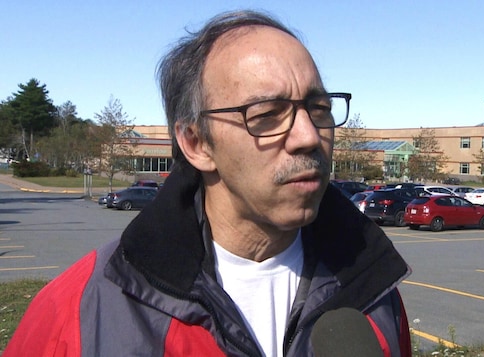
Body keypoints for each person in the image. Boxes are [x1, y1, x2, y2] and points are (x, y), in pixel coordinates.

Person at [5, 10, 412, 356]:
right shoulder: (81, 312)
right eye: (267, 113)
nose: (308, 135)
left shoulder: (373, 293)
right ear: (196, 144)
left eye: (318, 108)